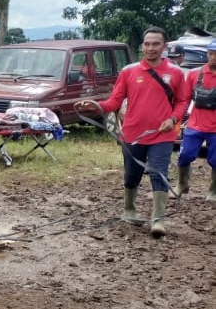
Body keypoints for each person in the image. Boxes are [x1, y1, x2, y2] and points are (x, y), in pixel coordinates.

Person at [78, 26, 187, 237]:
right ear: (142, 46)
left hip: (162, 134)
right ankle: (129, 208)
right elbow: (114, 101)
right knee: (131, 174)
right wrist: (94, 106)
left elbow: (182, 101)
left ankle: (158, 220)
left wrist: (173, 119)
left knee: (159, 173)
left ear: (164, 46)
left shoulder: (175, 73)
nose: (151, 48)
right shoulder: (129, 71)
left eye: (156, 44)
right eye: (147, 44)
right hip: (132, 134)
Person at [176, 42, 216, 201]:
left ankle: (213, 190)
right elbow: (184, 100)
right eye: (210, 53)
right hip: (195, 124)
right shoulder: (194, 74)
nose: (213, 57)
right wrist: (177, 119)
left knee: (215, 160)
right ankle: (182, 184)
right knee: (184, 155)